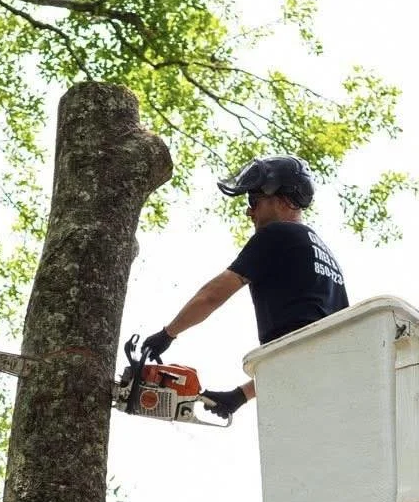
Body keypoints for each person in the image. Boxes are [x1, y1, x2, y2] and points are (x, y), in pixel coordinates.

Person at [138, 155, 347, 418]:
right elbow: (308, 355)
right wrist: (241, 395)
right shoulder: (323, 254)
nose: (250, 211)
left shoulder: (277, 235)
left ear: (283, 199)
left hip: (304, 387)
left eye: (254, 201)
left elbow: (211, 296)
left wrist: (168, 334)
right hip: (327, 386)